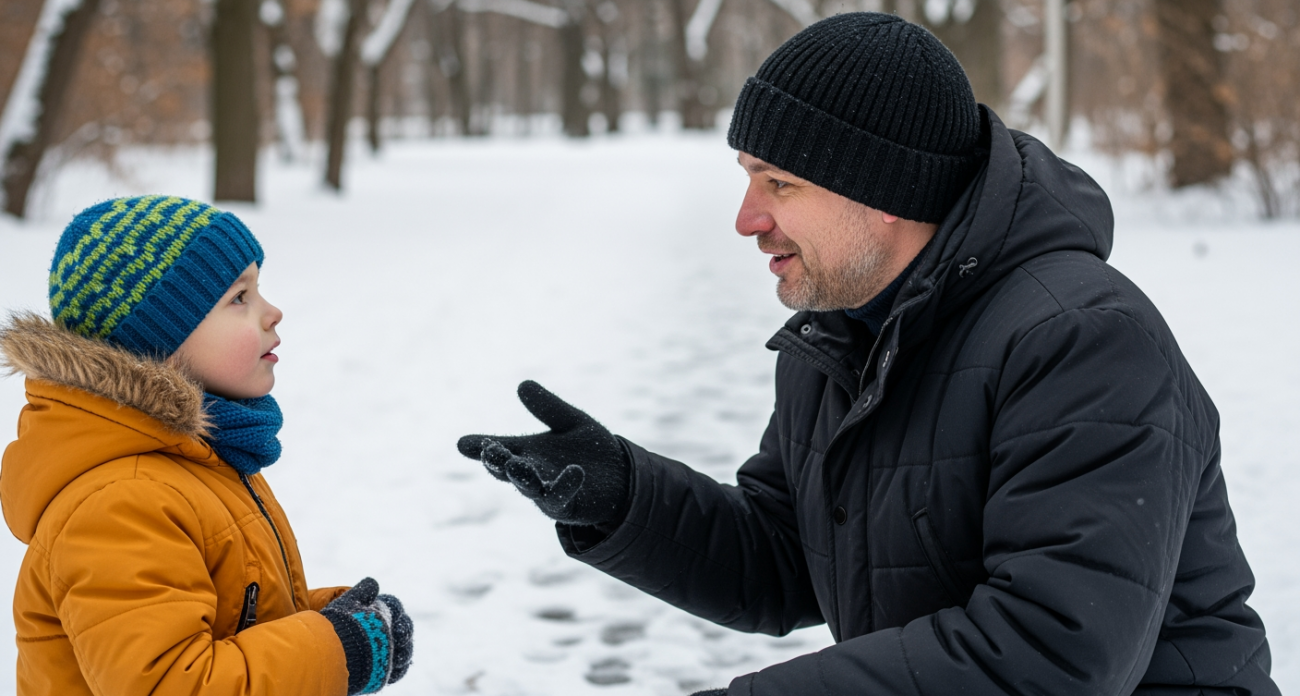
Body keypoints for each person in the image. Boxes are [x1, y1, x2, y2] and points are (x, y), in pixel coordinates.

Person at [457, 12, 1279, 696]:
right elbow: (792, 557)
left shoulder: (1082, 340)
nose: (747, 219)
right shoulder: (846, 329)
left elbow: (1050, 654)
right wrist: (627, 498)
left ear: (884, 192)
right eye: (748, 178)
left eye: (779, 184)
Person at [0, 196, 413, 696]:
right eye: (240, 298)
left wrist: (330, 622)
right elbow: (174, 684)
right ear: (159, 342)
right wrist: (337, 651)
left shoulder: (196, 458)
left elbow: (229, 617)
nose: (273, 312)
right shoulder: (119, 503)